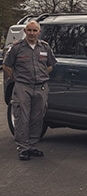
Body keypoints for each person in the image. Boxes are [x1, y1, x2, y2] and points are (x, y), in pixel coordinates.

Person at [3, 21, 57, 161]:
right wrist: (16, 78)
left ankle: (32, 145)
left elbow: (51, 64)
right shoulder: (17, 48)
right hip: (23, 86)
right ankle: (23, 148)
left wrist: (43, 73)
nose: (32, 33)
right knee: (22, 117)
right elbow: (6, 65)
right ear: (25, 32)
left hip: (41, 86)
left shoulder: (45, 47)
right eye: (29, 30)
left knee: (37, 117)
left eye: (35, 30)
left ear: (39, 32)